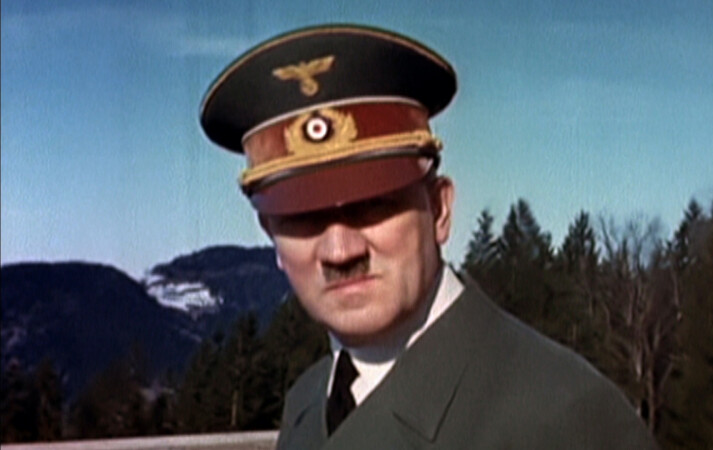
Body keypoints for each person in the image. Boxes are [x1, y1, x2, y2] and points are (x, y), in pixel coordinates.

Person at [199, 24, 658, 449]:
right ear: (272, 238)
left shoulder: (564, 420)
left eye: (373, 204)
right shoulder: (307, 404)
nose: (340, 250)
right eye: (303, 217)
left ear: (439, 210)